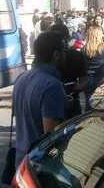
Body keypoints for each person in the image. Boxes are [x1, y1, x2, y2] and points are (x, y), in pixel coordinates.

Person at [13, 31, 66, 168]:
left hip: (21, 160)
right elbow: (51, 137)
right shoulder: (52, 86)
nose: (66, 55)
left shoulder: (21, 78)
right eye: (64, 51)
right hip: (39, 166)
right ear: (56, 55)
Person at [84, 26, 104, 109]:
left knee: (88, 103)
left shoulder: (83, 49)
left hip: (87, 79)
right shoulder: (103, 49)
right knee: (99, 104)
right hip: (100, 78)